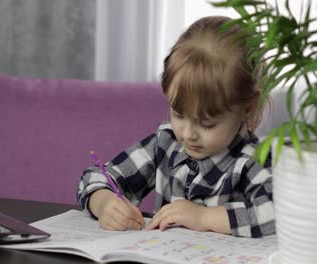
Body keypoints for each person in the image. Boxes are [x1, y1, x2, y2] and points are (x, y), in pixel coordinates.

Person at [77, 16, 274, 238]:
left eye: (207, 124)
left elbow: (275, 214)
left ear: (247, 108)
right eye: (178, 114)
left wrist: (204, 218)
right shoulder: (167, 143)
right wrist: (104, 203)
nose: (188, 134)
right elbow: (95, 177)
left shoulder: (252, 160)